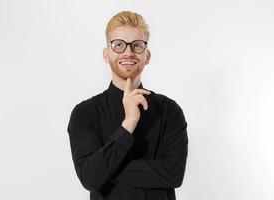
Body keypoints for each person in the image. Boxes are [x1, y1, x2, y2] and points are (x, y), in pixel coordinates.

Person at [67, 10, 188, 200]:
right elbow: (90, 178)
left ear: (147, 56)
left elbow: (174, 174)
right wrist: (129, 123)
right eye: (119, 45)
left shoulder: (169, 110)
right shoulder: (85, 113)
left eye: (137, 45)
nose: (128, 52)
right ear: (106, 54)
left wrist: (107, 170)